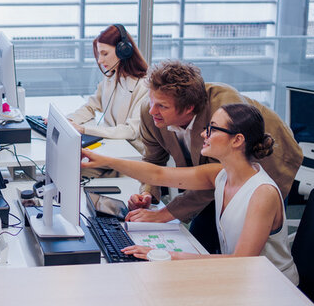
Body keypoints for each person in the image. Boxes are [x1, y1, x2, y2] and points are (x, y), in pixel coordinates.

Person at [82, 104, 299, 285]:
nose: (204, 134)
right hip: (241, 278)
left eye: (213, 129)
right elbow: (159, 174)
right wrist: (106, 161)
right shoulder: (221, 175)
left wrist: (163, 255)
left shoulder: (262, 193)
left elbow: (240, 262)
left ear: (237, 140)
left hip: (272, 287)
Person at [126, 60, 302, 254]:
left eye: (162, 106)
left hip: (266, 160)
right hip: (219, 174)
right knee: (204, 241)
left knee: (256, 243)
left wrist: (164, 215)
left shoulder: (223, 109)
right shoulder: (151, 112)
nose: (152, 111)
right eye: (152, 102)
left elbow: (214, 178)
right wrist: (148, 194)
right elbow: (153, 160)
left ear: (188, 108)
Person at [66, 25, 149, 178]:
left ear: (124, 52)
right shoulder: (111, 76)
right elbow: (91, 106)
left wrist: (84, 130)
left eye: (105, 54)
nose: (99, 60)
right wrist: (69, 121)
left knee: (75, 172)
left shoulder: (144, 86)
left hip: (130, 157)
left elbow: (130, 131)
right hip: (112, 148)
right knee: (69, 167)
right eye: (99, 54)